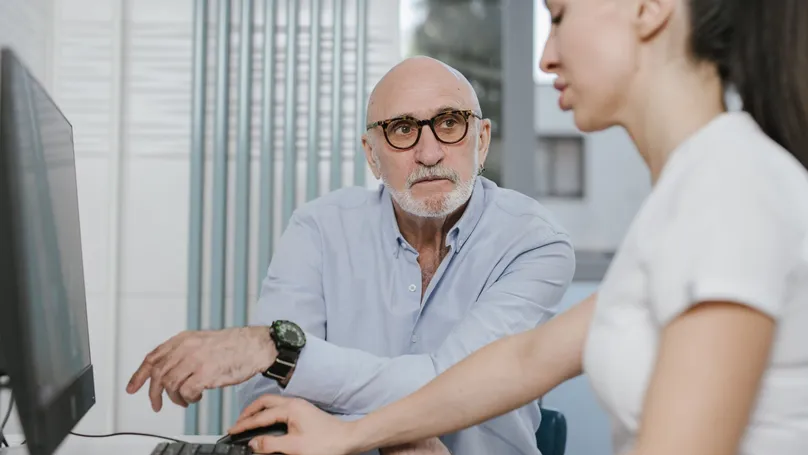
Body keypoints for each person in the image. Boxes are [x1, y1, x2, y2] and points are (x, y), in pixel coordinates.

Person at [224, 0, 808, 454]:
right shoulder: (687, 197)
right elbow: (524, 361)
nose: (546, 56)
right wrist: (354, 436)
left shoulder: (731, 187)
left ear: (648, 8)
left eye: (558, 16)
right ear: (372, 153)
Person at [126, 56, 576, 454]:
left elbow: (452, 385)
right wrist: (403, 433)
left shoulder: (534, 244)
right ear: (372, 156)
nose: (429, 151)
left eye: (450, 122)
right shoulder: (319, 228)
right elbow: (267, 399)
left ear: (481, 140)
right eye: (402, 130)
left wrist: (277, 350)